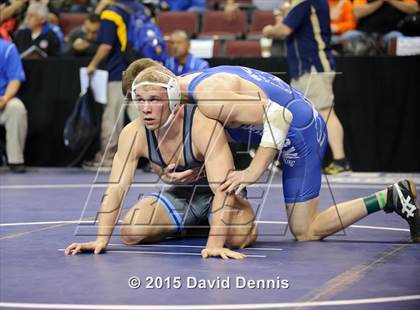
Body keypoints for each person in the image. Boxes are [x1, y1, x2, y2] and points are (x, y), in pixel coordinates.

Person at [120, 59, 420, 243]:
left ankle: (390, 197)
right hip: (268, 128)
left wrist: (253, 171)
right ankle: (393, 196)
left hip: (296, 130)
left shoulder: (208, 97)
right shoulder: (185, 99)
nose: (145, 108)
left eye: (149, 99)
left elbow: (279, 117)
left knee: (306, 230)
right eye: (139, 100)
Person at [65, 65, 257, 259]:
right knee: (131, 233)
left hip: (218, 190)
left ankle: (232, 212)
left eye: (154, 100)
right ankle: (194, 222)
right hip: (182, 193)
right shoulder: (133, 133)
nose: (146, 109)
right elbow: (116, 187)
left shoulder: (202, 125)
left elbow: (223, 188)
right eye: (140, 100)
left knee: (237, 238)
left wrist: (215, 244)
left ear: (173, 99)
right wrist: (101, 239)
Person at [262, 0, 350, 175]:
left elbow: (284, 29)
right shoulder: (300, 4)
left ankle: (341, 161)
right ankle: (288, 160)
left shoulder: (306, 2)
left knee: (325, 112)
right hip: (303, 67)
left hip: (314, 65)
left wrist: (268, 30)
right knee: (295, 114)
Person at [83, 0, 143, 170]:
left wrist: (93, 64)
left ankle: (107, 158)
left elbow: (106, 46)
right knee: (142, 115)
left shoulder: (111, 13)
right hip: (138, 69)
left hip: (119, 72)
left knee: (112, 117)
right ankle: (161, 155)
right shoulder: (137, 8)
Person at [0, 38, 28, 173]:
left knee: (16, 108)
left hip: (2, 101)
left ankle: (15, 160)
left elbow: (15, 78)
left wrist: (5, 99)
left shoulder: (7, 49)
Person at [351, 0, 419, 48]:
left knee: (397, 38)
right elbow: (357, 13)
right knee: (349, 36)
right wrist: (380, 2)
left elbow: (414, 9)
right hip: (365, 33)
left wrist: (391, 1)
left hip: (390, 33)